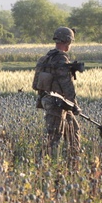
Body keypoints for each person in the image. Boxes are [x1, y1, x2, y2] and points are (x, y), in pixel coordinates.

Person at [33, 27, 81, 160]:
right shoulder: (60, 59)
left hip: (54, 101)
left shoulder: (45, 58)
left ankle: (74, 160)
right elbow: (67, 85)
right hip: (57, 103)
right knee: (53, 136)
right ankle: (41, 163)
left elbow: (36, 85)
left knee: (73, 130)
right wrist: (75, 105)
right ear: (68, 41)